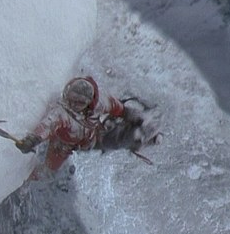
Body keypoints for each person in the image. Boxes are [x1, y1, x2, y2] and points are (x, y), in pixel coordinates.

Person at [15, 76, 161, 178]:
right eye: (70, 98)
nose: (72, 104)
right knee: (48, 171)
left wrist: (132, 116)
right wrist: (33, 139)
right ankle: (23, 178)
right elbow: (48, 124)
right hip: (62, 145)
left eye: (78, 102)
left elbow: (118, 108)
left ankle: (140, 135)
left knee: (115, 140)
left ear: (89, 102)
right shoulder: (61, 112)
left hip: (92, 135)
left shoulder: (101, 103)